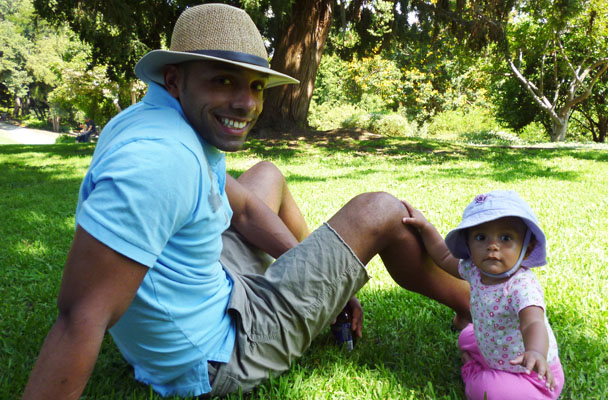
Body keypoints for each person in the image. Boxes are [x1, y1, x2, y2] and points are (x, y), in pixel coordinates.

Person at [21, 4, 470, 399]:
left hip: (209, 293)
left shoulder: (154, 120)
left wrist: (327, 284)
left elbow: (245, 208)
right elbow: (80, 316)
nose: (245, 104)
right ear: (176, 79)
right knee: (382, 210)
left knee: (266, 176)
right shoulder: (160, 164)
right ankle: (474, 306)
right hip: (218, 356)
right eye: (223, 81)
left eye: (255, 86)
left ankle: (317, 297)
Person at [402, 190, 565, 399]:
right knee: (465, 336)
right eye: (481, 237)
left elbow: (533, 322)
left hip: (532, 374)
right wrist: (426, 227)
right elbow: (443, 256)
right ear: (468, 244)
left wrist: (535, 352)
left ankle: (475, 373)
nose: (492, 246)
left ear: (527, 248)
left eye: (506, 238)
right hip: (494, 347)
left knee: (486, 391)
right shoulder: (474, 270)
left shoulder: (522, 285)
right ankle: (486, 366)